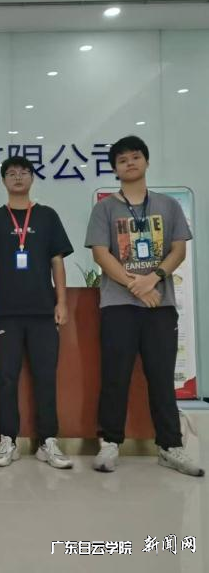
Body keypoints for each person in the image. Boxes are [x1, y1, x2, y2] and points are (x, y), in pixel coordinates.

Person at [85, 135, 204, 477]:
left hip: (160, 306)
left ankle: (170, 446)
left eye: (135, 157)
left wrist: (154, 278)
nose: (130, 163)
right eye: (122, 160)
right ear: (115, 169)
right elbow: (101, 253)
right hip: (118, 306)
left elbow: (178, 249)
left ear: (147, 162)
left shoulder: (168, 205)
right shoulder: (105, 208)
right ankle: (110, 443)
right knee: (115, 376)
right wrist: (135, 285)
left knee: (161, 378)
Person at [0, 156, 74, 469]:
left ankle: (48, 441)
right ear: (4, 180)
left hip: (43, 312)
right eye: (11, 173)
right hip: (5, 313)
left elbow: (57, 262)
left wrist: (61, 302)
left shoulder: (47, 216)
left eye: (24, 172)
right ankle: (8, 440)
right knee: (6, 378)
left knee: (45, 377)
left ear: (32, 178)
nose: (18, 177)